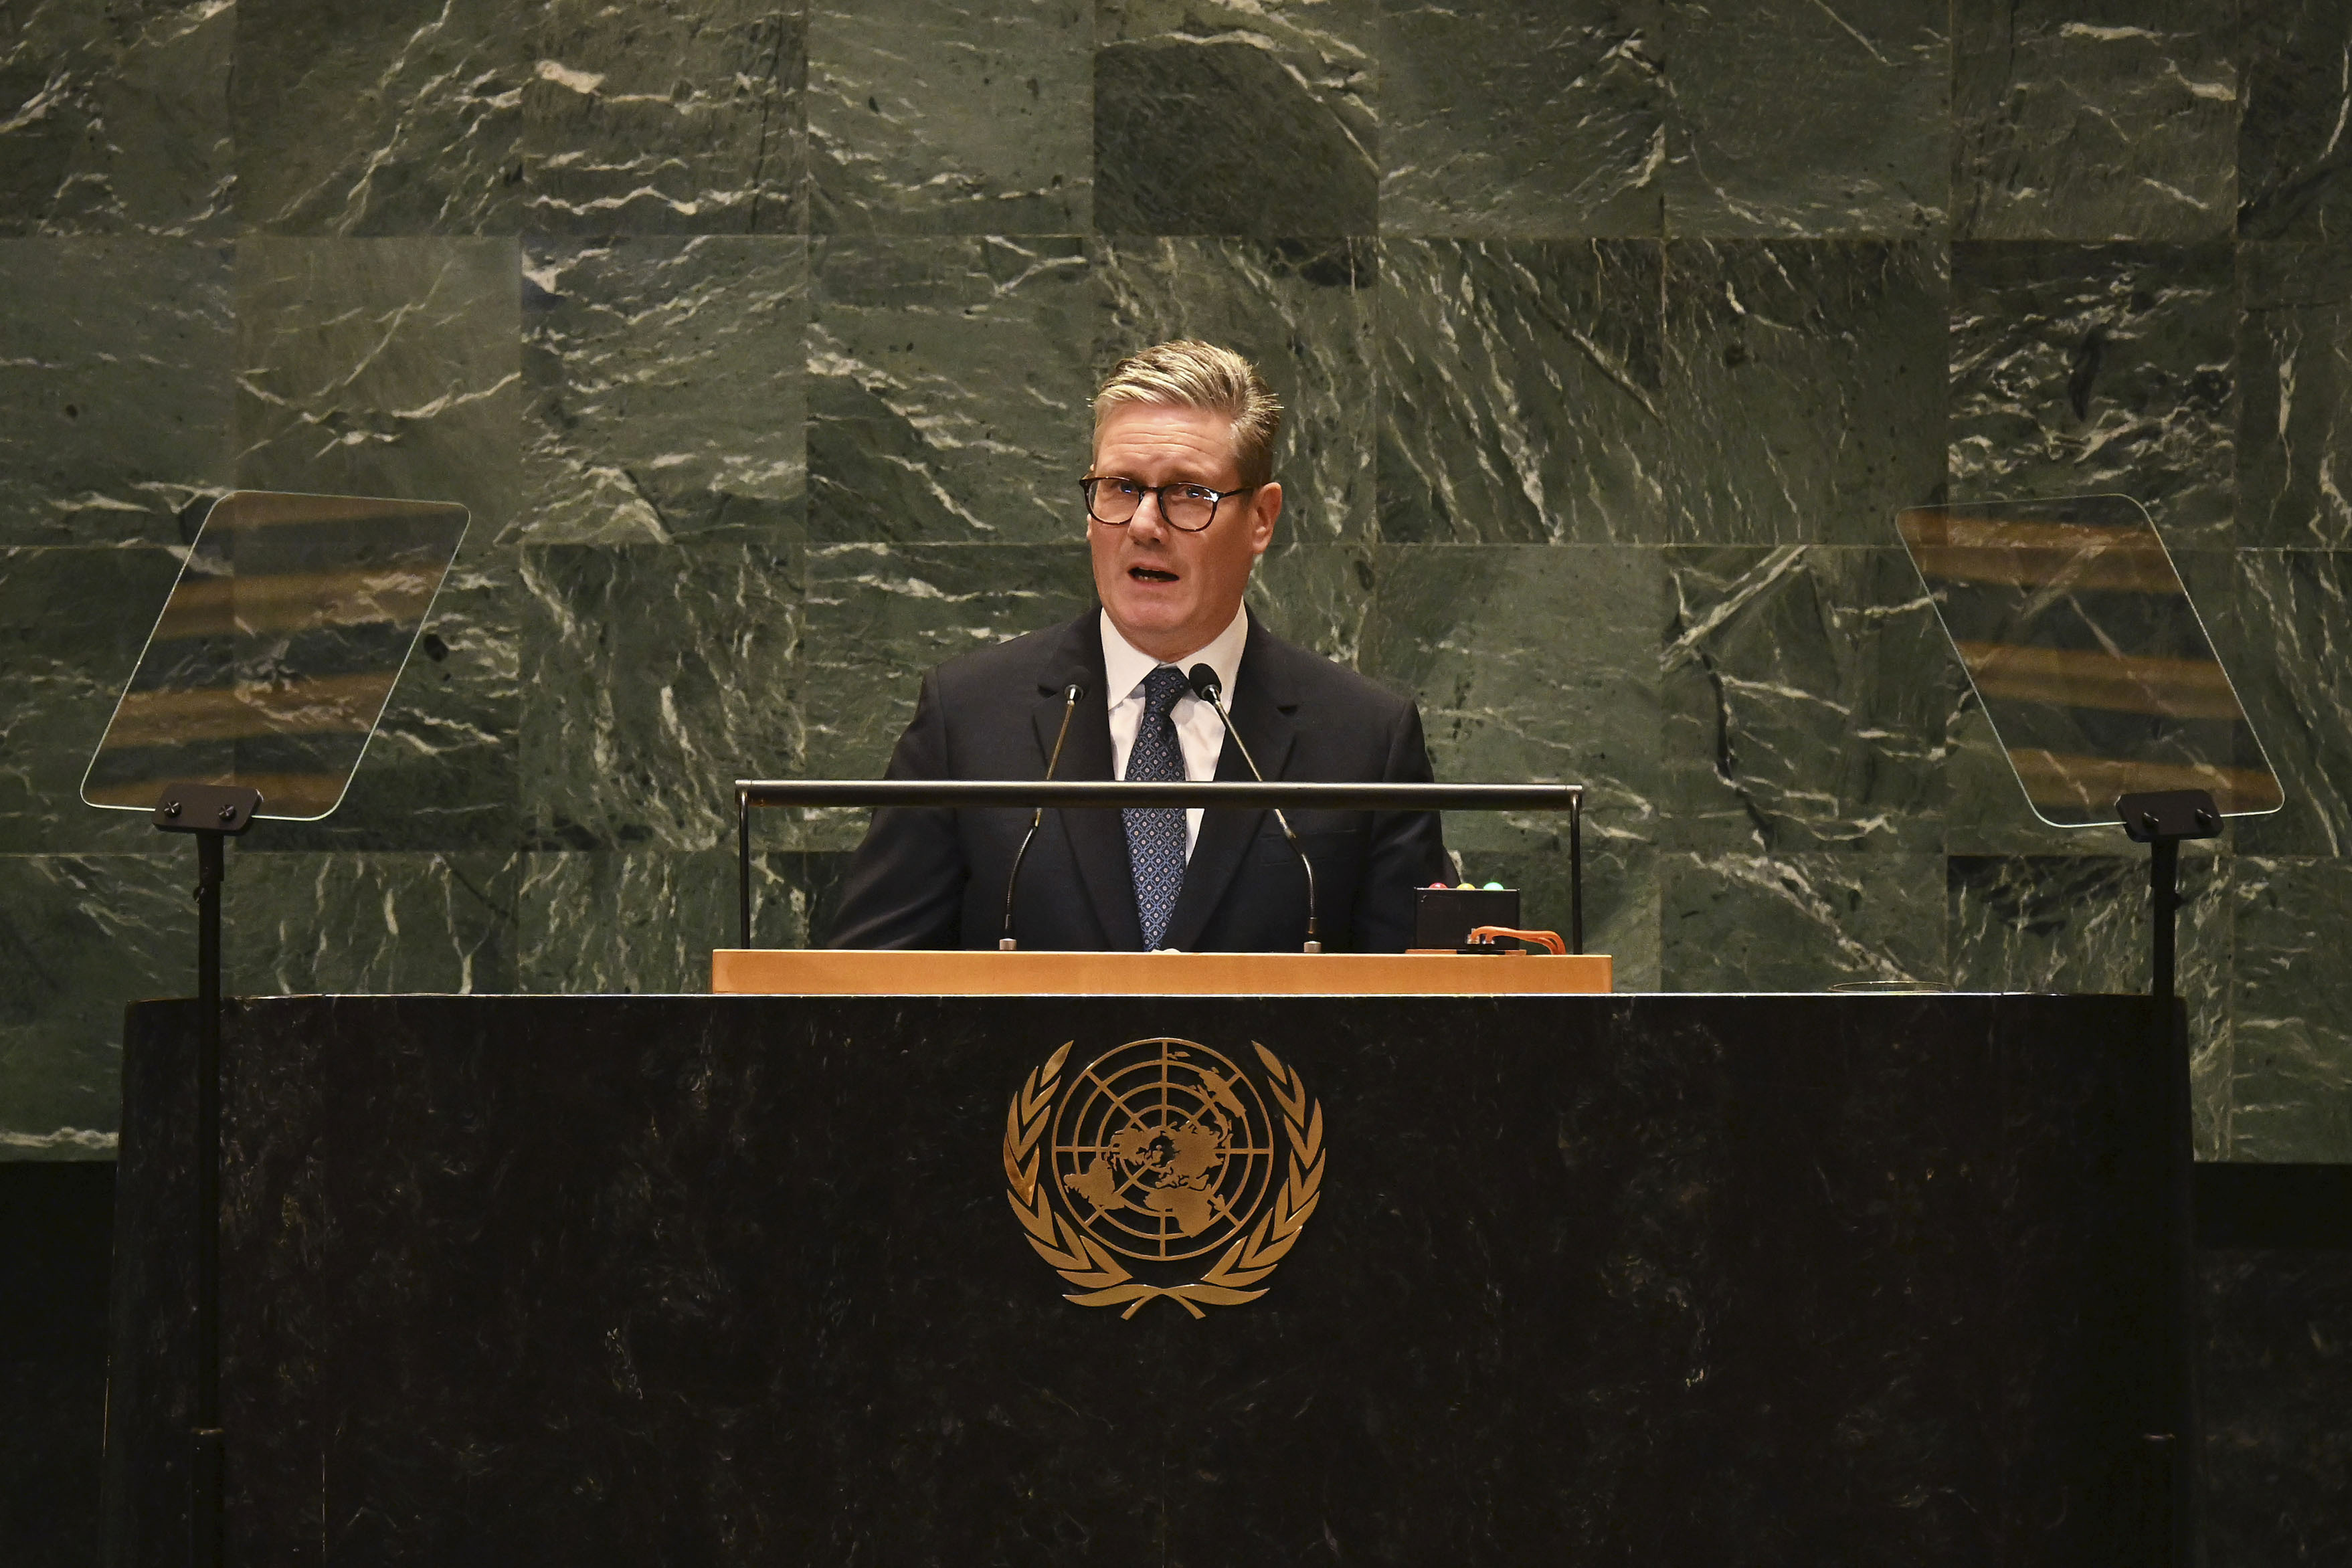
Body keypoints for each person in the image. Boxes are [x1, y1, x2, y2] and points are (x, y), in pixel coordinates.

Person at [824, 340, 1451, 952]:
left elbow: (1420, 1016)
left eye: (1188, 493)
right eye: (1121, 487)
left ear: (1261, 519)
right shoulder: (966, 718)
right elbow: (865, 991)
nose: (1146, 526)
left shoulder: (1366, 739)